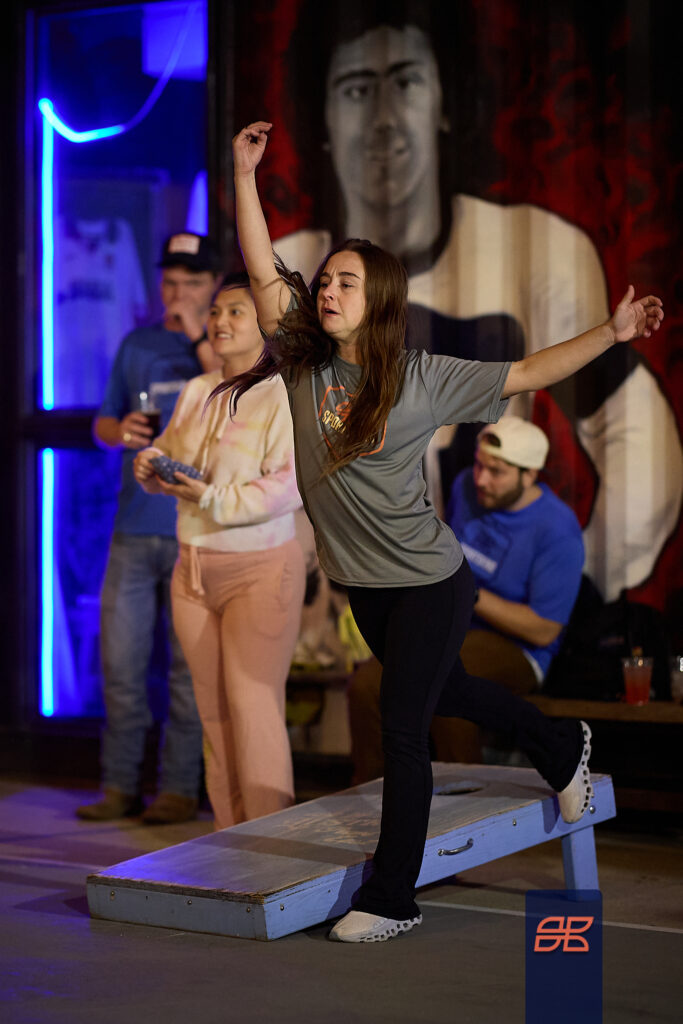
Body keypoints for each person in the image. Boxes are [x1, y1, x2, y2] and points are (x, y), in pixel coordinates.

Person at [225, 120, 663, 943]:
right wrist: (244, 174)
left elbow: (527, 371)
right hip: (366, 587)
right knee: (447, 692)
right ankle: (557, 742)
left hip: (429, 580)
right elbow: (258, 268)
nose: (327, 290)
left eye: (346, 282)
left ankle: (393, 896)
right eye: (324, 279)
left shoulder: (421, 378)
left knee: (404, 723)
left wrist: (611, 334)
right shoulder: (305, 363)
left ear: (380, 300)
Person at [270, 1, 682, 601]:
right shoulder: (298, 274)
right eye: (356, 89)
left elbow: (638, 442)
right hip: (341, 589)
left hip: (436, 578)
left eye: (406, 83)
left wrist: (569, 591)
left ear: (445, 102)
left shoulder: (537, 252)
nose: (383, 119)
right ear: (324, 120)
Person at [133, 273, 305, 829]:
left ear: (265, 323)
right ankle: (231, 841)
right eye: (215, 312)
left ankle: (274, 850)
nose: (219, 321)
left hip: (259, 568)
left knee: (254, 710)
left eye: (235, 311)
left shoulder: (284, 392)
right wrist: (152, 466)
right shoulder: (197, 389)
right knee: (213, 714)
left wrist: (207, 496)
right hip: (193, 567)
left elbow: (288, 487)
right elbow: (173, 453)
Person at [348, 416, 585, 783]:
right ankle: (374, 793)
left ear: (530, 475)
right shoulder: (465, 488)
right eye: (479, 464)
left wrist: (467, 593)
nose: (481, 479)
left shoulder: (557, 527)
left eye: (497, 471)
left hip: (517, 647)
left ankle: (465, 797)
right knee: (367, 683)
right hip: (453, 624)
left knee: (444, 681)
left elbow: (544, 630)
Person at [77, 233, 222, 825]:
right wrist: (119, 433)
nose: (178, 293)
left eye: (192, 282)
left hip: (196, 530)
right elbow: (102, 423)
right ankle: (119, 786)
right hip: (134, 527)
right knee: (122, 664)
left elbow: (234, 393)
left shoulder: (223, 344)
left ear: (214, 286)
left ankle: (180, 789)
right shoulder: (137, 343)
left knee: (188, 671)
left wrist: (197, 335)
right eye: (170, 282)